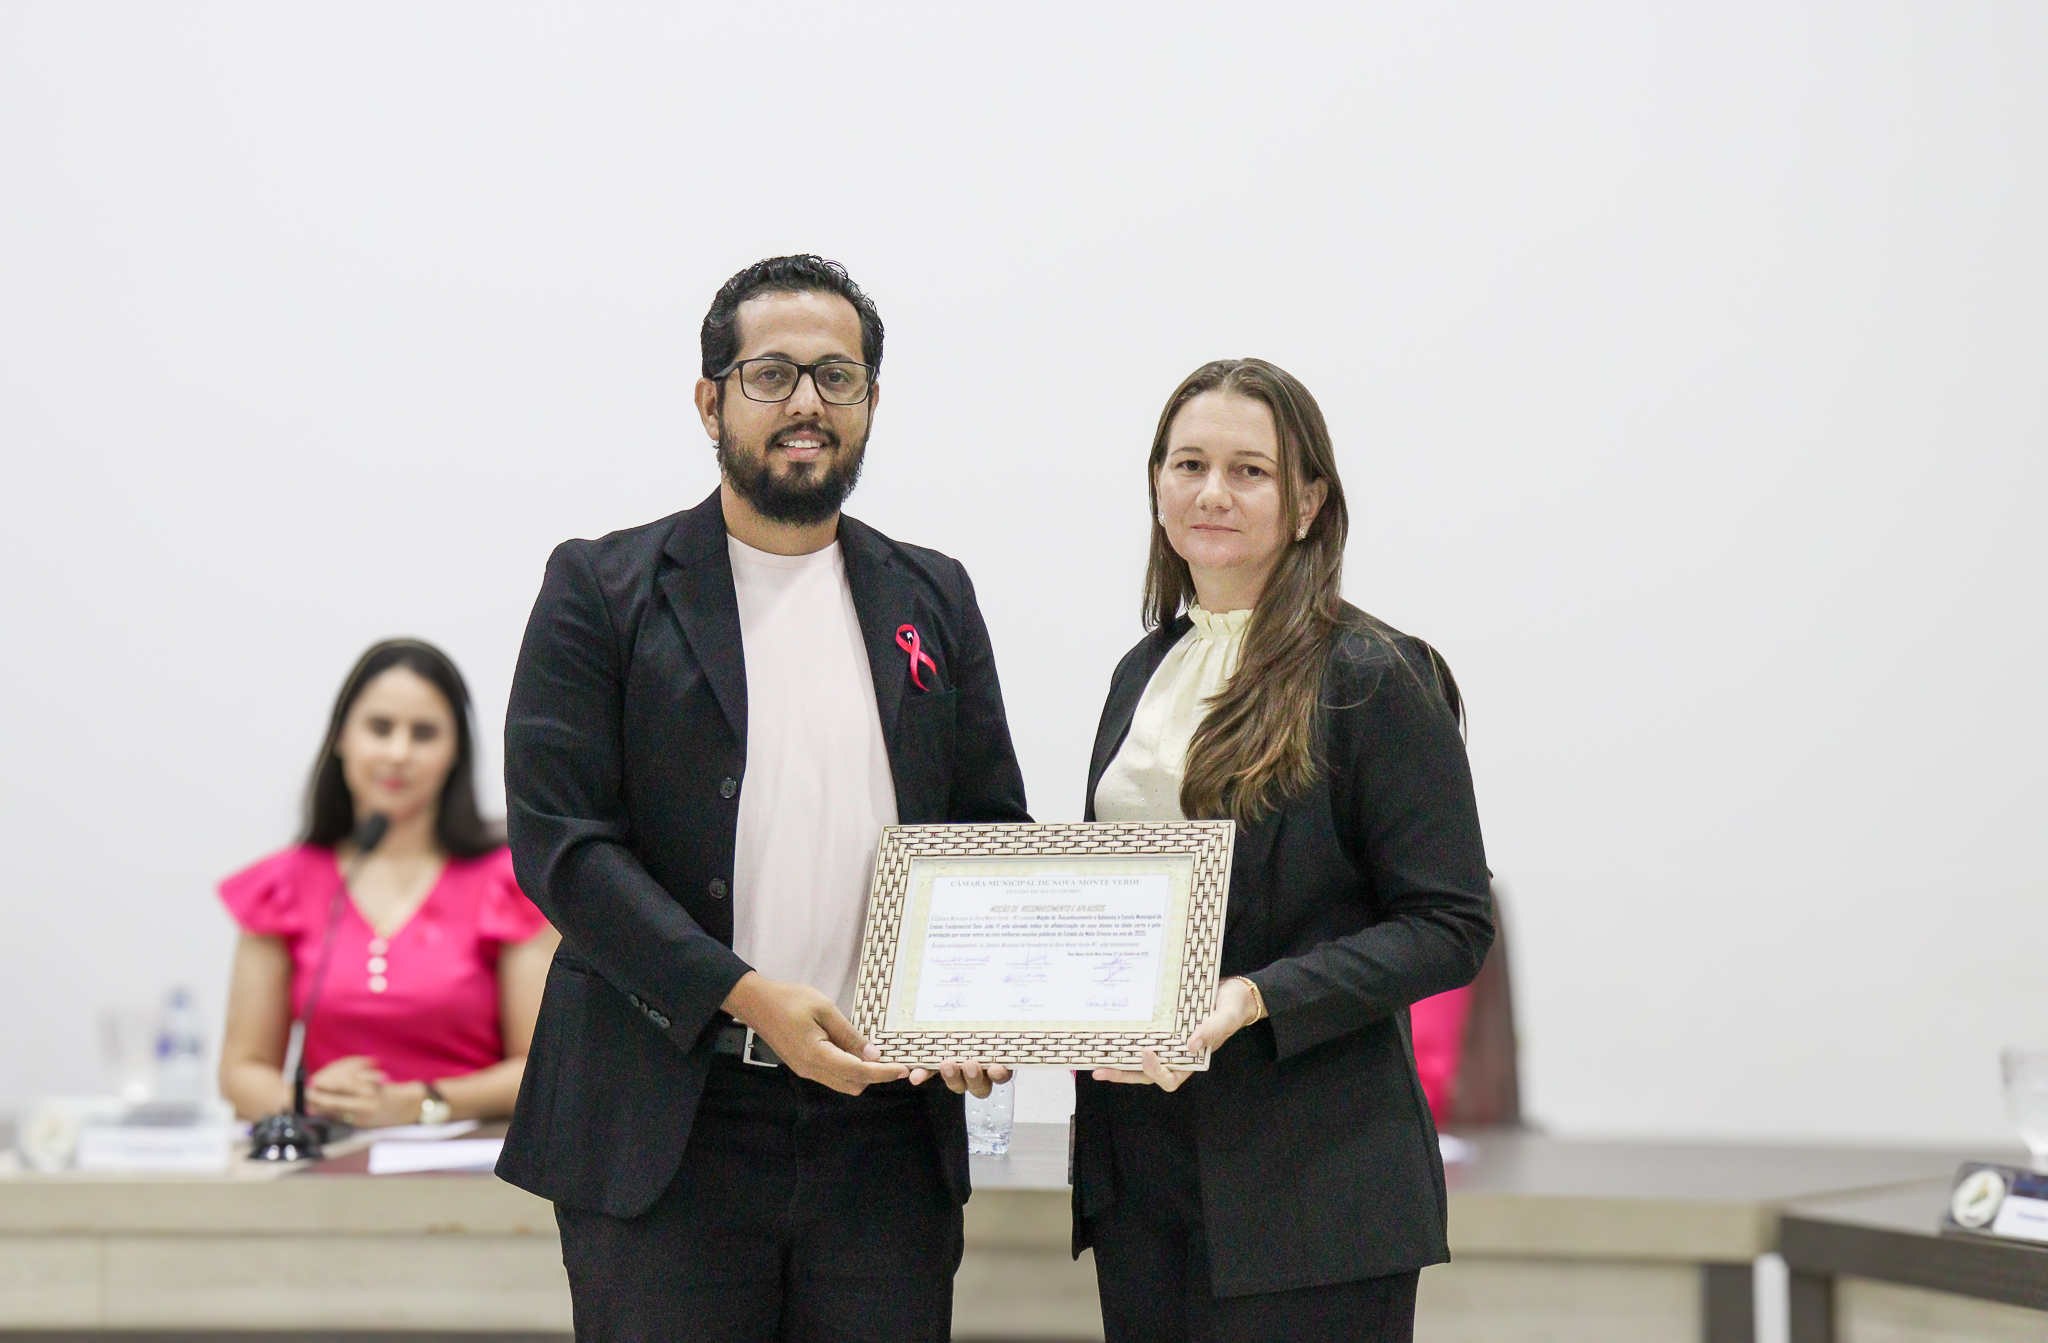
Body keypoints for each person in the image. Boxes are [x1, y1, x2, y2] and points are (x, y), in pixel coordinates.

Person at [496, 255, 1031, 1342]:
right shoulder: (600, 589)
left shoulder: (933, 593)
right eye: (771, 374)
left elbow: (988, 831)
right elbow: (564, 849)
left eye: (838, 376)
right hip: (670, 1120)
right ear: (711, 401)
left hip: (886, 1129)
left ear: (871, 401)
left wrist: (982, 1000)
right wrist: (743, 994)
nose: (806, 403)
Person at [1072, 359, 1496, 1342]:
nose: (1211, 492)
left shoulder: (1373, 674)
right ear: (1156, 484)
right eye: (1188, 463)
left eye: (1249, 470)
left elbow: (1450, 924)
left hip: (1311, 1185)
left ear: (1308, 501)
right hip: (1143, 1177)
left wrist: (1255, 995)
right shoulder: (1143, 670)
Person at [218, 639, 558, 1128]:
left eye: (424, 734)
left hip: (470, 1160)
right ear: (341, 737)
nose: (398, 753)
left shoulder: (509, 883)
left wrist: (421, 1103)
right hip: (329, 1158)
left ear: (455, 751)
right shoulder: (282, 886)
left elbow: (540, 1067)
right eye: (380, 728)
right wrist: (309, 1101)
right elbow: (241, 1069)